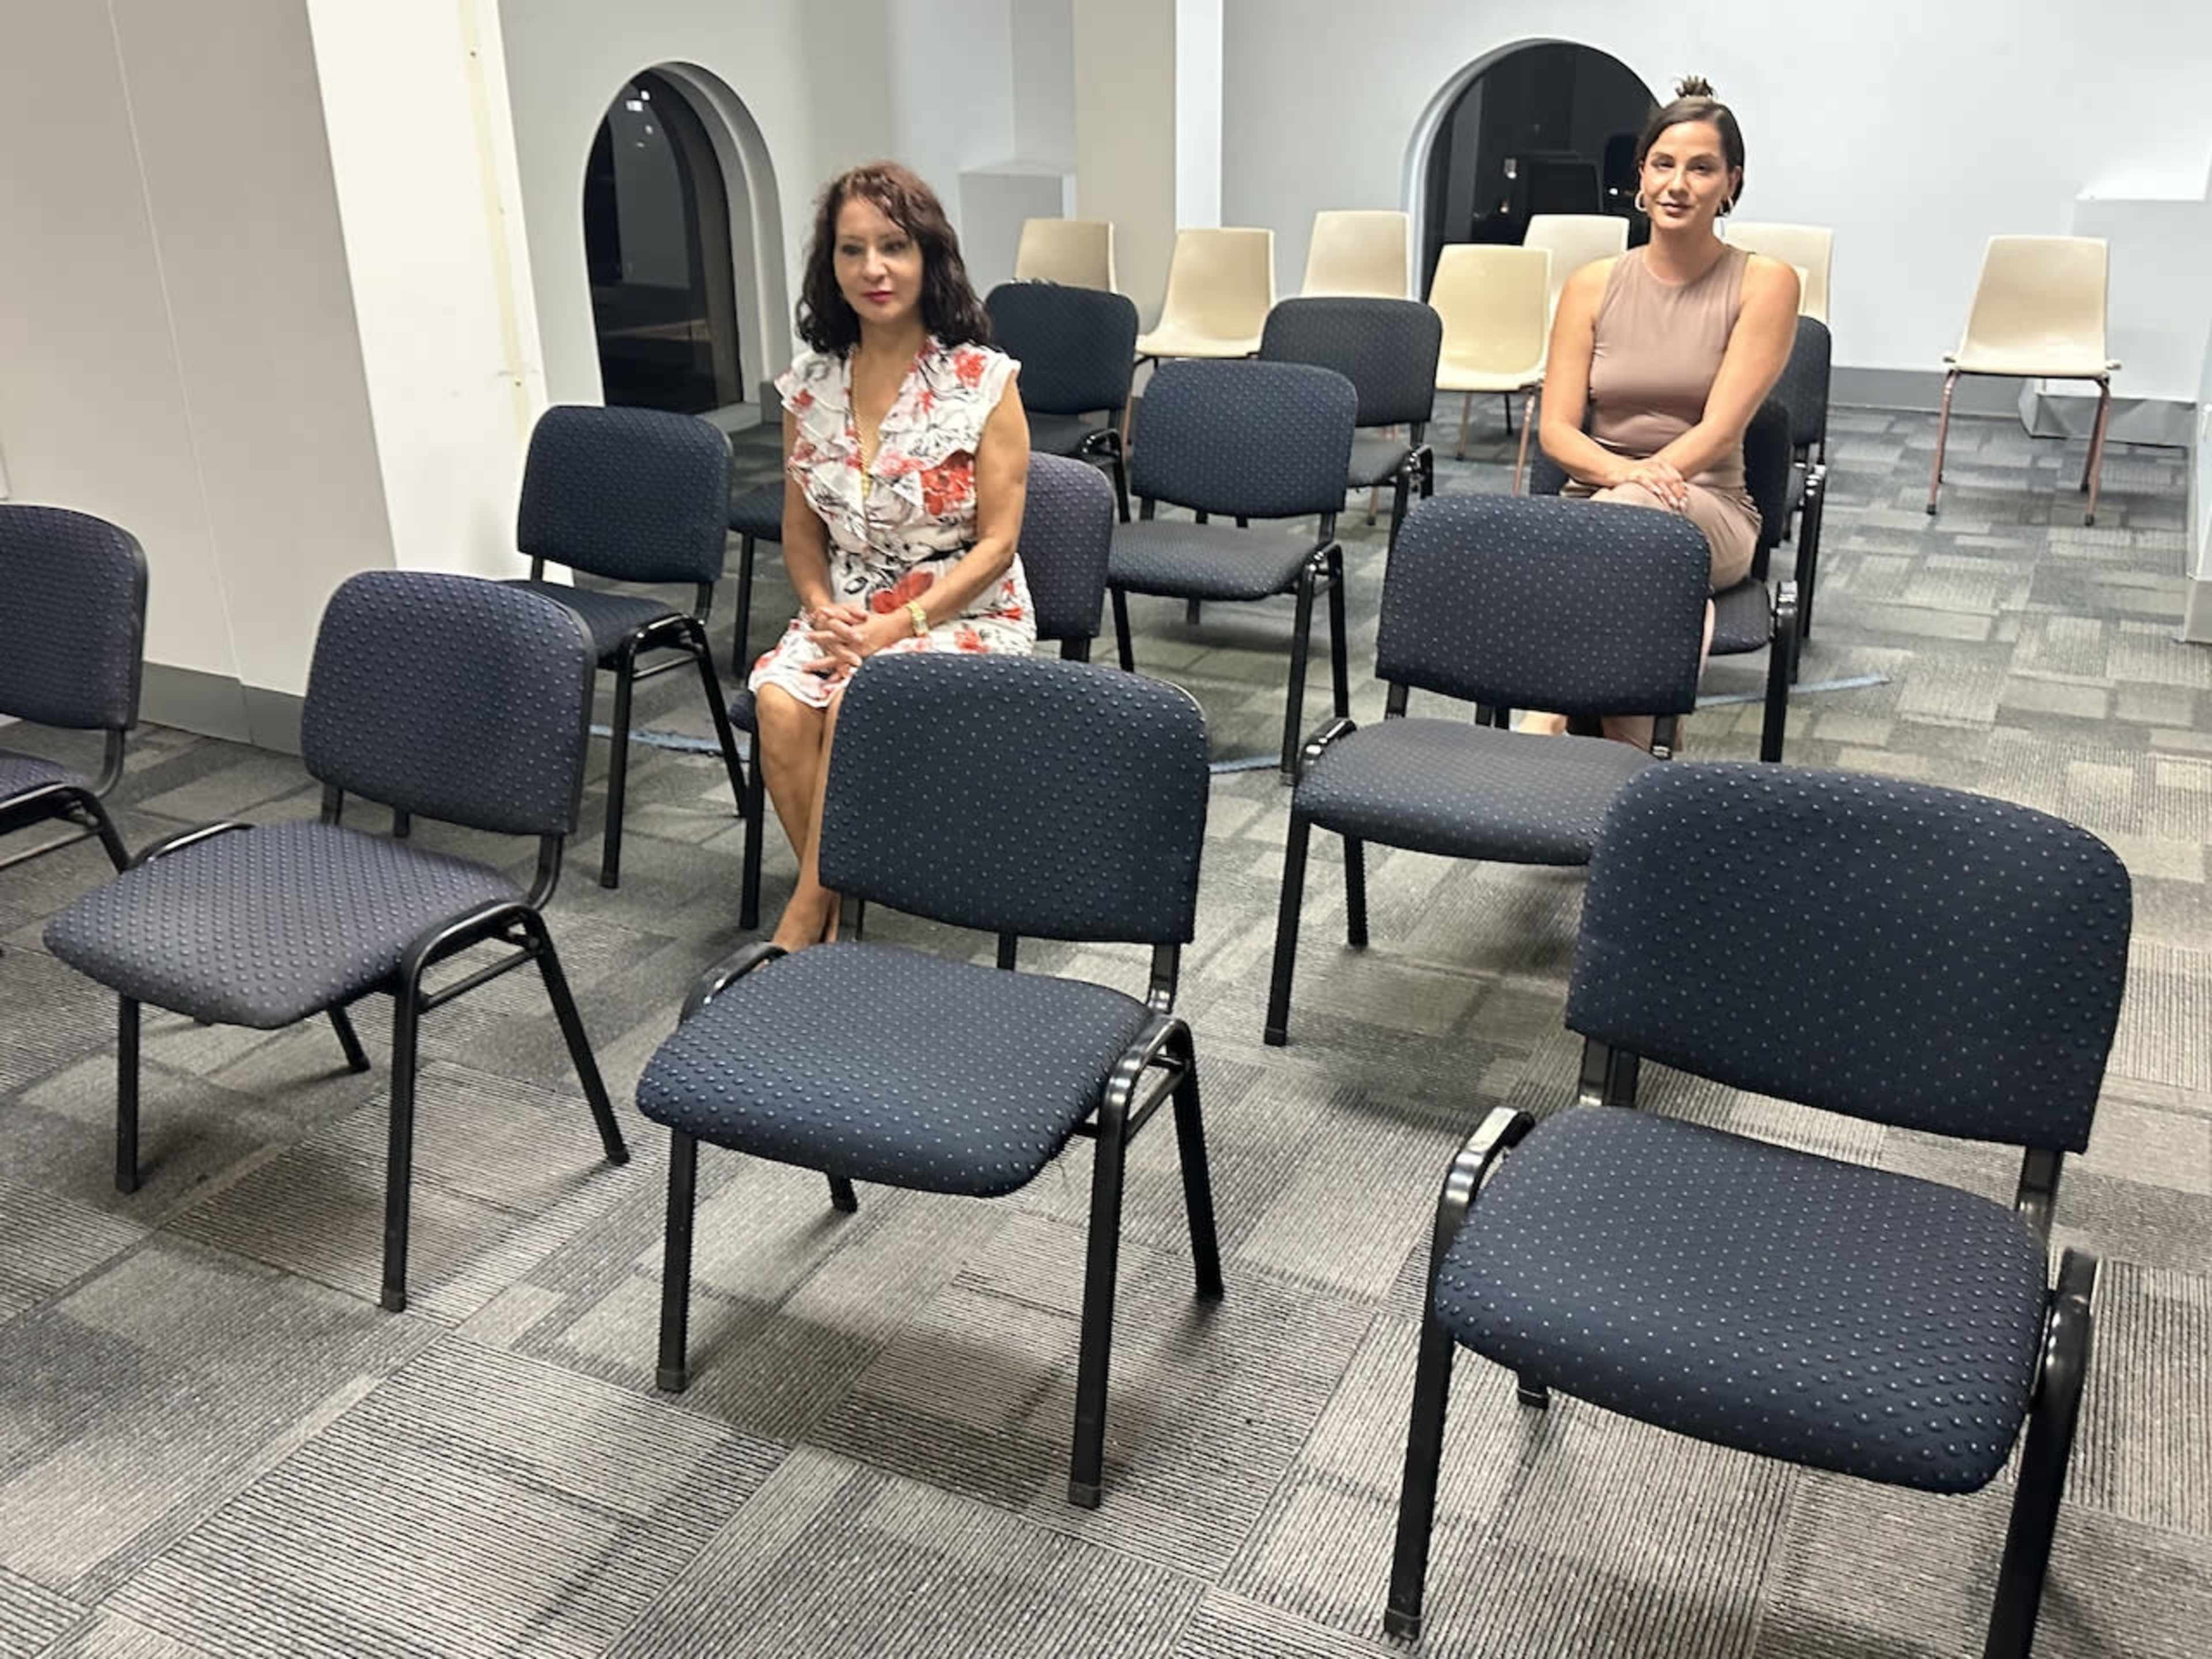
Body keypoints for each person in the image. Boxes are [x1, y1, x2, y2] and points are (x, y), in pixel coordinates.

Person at [751, 162, 1031, 949]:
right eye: (852, 250)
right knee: (778, 701)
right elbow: (802, 530)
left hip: (968, 609)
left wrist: (897, 625)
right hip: (849, 608)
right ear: (830, 267)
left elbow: (999, 545)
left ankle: (808, 917)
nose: (873, 269)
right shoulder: (809, 388)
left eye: (894, 246)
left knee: (853, 700)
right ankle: (841, 897)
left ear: (928, 258)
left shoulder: (982, 380)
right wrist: (817, 603)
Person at [1532, 75, 1799, 747]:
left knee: (1625, 531)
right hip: (1594, 502)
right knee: (1627, 553)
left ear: (1731, 184)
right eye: (1664, 164)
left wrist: (1640, 483)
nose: (1680, 184)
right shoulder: (1592, 284)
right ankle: (1643, 759)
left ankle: (1545, 721)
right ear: (1642, 178)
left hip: (1707, 506)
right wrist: (1623, 479)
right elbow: (1558, 432)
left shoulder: (1767, 282)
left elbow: (1721, 431)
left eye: (1702, 168)